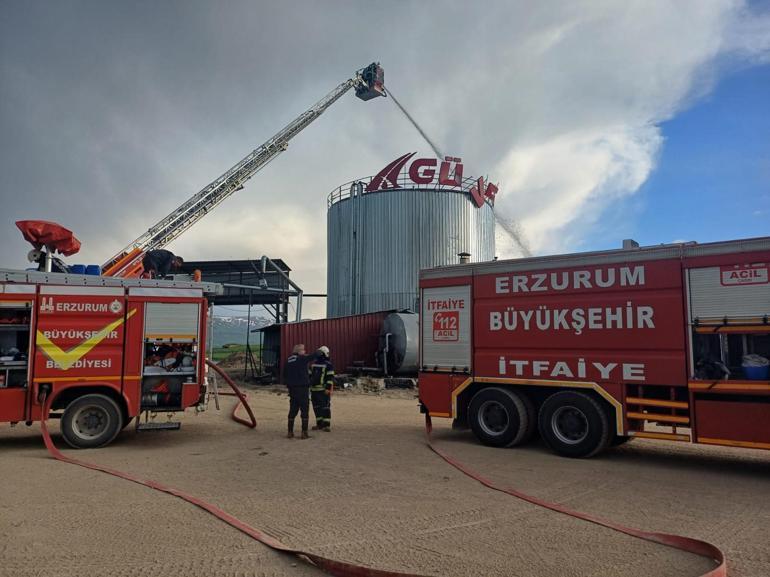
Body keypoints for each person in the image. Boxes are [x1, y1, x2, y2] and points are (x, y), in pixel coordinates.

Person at [284, 344, 311, 439]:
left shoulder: (288, 360)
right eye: (303, 350)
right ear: (299, 351)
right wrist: (320, 351)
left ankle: (290, 432)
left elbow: (284, 374)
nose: (304, 351)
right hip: (302, 388)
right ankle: (304, 433)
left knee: (293, 409)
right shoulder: (301, 359)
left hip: (292, 389)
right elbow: (312, 356)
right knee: (304, 409)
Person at [309, 346, 335, 432]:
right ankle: (319, 424)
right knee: (317, 408)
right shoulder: (314, 364)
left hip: (322, 390)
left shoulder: (327, 364)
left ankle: (326, 425)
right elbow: (309, 376)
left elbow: (330, 378)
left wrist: (328, 388)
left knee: (325, 407)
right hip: (315, 390)